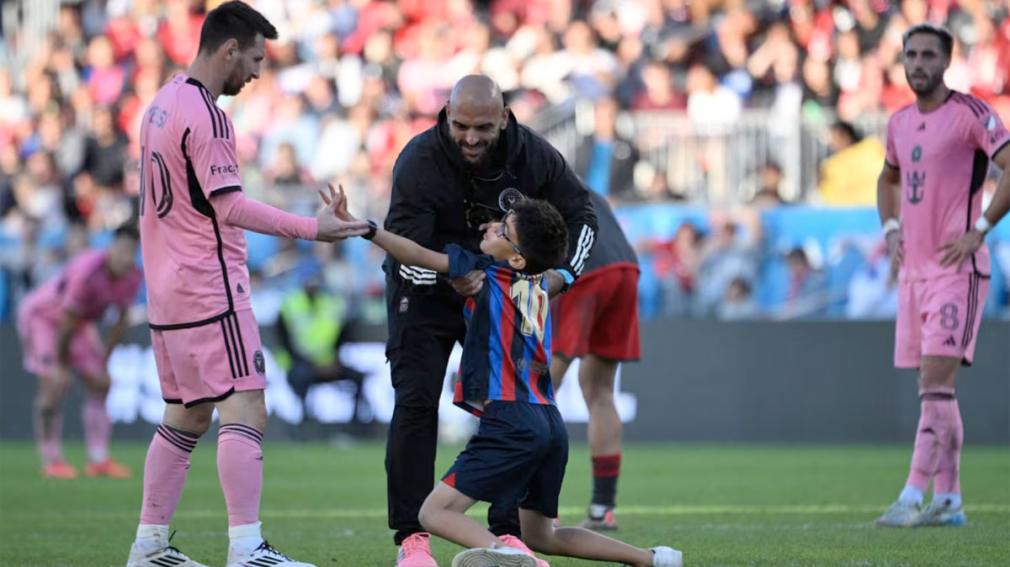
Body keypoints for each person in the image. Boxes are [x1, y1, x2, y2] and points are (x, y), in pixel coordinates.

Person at [125, 3, 368, 567]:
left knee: (186, 415)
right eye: (255, 58)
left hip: (166, 290)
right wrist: (313, 229)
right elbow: (228, 206)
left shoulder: (160, 103)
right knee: (248, 407)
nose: (257, 73)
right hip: (211, 289)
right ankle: (246, 549)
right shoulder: (208, 114)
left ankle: (149, 546)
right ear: (229, 49)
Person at [329, 187, 681, 567]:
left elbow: (417, 255)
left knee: (433, 514)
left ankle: (511, 557)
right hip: (549, 422)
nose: (492, 227)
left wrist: (367, 229)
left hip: (510, 419)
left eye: (503, 230)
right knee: (543, 534)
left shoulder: (485, 272)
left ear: (515, 257)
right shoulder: (547, 281)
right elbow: (566, 272)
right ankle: (652, 559)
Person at [381, 74, 597, 567]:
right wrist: (454, 278)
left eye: (482, 127)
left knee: (510, 407)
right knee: (415, 404)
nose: (471, 137)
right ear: (447, 116)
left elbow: (582, 212)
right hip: (427, 292)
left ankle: (507, 532)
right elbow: (405, 250)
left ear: (503, 118)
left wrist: (564, 273)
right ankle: (412, 537)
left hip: (502, 296)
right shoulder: (418, 160)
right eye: (460, 126)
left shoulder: (534, 155)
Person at [874, 23, 1010, 528]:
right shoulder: (900, 123)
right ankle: (949, 500)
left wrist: (981, 228)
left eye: (929, 55)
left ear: (946, 62)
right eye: (911, 55)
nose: (918, 64)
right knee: (936, 390)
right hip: (914, 274)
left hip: (958, 270)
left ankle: (912, 494)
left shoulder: (970, 114)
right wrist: (890, 230)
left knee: (935, 383)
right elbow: (887, 178)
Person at [16, 223, 142, 480]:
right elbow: (65, 323)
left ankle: (98, 459)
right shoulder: (88, 272)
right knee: (54, 383)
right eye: (121, 250)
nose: (125, 257)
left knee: (102, 383)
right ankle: (51, 459)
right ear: (111, 248)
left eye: (131, 252)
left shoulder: (133, 275)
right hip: (43, 317)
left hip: (78, 323)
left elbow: (120, 323)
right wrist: (61, 365)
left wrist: (104, 364)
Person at [549, 191, 639, 531]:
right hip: (625, 268)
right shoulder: (572, 180)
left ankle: (542, 508)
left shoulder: (521, 179)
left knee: (542, 388)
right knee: (599, 390)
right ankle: (603, 508)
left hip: (583, 272)